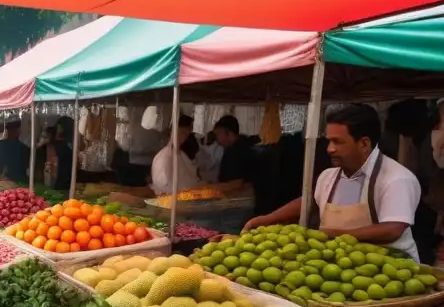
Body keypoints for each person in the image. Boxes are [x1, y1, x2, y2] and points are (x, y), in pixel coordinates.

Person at [243, 104, 421, 260]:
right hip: (340, 265)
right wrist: (267, 219)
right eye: (329, 141)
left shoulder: (396, 178)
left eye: (337, 142)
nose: (329, 149)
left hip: (391, 269)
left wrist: (332, 235)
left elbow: (393, 228)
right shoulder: (328, 176)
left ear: (364, 144)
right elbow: (309, 202)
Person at [151, 115, 200, 195]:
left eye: (187, 134)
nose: (184, 137)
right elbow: (161, 185)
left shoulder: (183, 155)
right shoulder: (163, 157)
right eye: (182, 132)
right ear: (172, 132)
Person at [213, 115, 255, 185]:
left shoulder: (236, 151)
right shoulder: (244, 144)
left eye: (219, 134)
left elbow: (236, 183)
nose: (217, 138)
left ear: (230, 134)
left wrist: (212, 188)